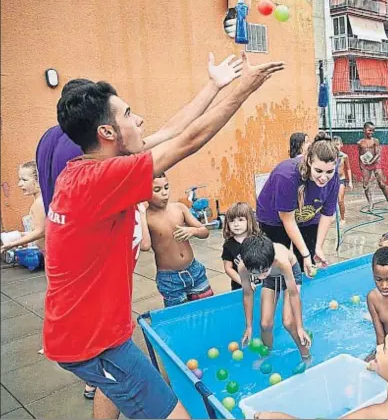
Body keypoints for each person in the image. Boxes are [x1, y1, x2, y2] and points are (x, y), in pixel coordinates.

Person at [43, 52, 284, 420]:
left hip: (92, 334)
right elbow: (190, 140)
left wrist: (214, 85)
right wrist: (245, 88)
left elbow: (174, 130)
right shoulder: (102, 180)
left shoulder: (91, 168)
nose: (138, 119)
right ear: (107, 133)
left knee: (117, 390)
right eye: (127, 114)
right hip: (93, 344)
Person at [254, 323, 388, 420]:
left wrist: (276, 417)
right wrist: (380, 367)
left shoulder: (374, 416)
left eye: (383, 348)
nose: (377, 348)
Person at [256, 132, 340, 277]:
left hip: (308, 215)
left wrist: (317, 248)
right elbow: (288, 220)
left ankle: (301, 293)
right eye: (318, 171)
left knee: (308, 261)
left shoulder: (334, 177)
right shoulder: (286, 176)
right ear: (309, 162)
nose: (324, 177)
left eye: (329, 172)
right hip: (274, 218)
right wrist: (306, 255)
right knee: (276, 264)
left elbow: (327, 214)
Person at [140, 173, 214, 307]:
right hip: (170, 280)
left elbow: (205, 232)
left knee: (207, 310)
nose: (164, 193)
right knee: (179, 318)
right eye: (157, 190)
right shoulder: (146, 217)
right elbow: (145, 245)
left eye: (166, 187)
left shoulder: (179, 208)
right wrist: (140, 212)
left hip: (194, 271)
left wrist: (193, 230)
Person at [236, 234, 311, 361]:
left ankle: (306, 356)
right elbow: (248, 294)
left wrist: (300, 326)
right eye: (255, 274)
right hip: (271, 277)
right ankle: (266, 354)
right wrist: (248, 326)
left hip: (290, 273)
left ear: (271, 261)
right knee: (265, 324)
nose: (260, 277)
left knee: (288, 321)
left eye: (263, 271)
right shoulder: (244, 267)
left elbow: (293, 293)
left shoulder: (281, 261)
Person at [1, 162, 46, 258]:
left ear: (38, 182)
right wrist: (22, 235)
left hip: (52, 254)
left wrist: (13, 244)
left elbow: (40, 232)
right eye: (19, 180)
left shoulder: (39, 203)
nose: (19, 184)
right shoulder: (40, 200)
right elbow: (44, 230)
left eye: (24, 180)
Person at [221, 202, 262, 291]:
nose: (236, 224)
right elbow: (228, 268)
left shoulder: (259, 240)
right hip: (240, 287)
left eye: (240, 220)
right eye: (232, 221)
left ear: (250, 220)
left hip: (262, 286)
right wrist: (244, 282)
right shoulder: (228, 245)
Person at [357, 122, 388, 212]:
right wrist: (361, 166)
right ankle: (370, 203)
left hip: (376, 164)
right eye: (369, 130)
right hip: (366, 166)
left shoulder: (375, 141)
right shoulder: (360, 143)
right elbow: (360, 155)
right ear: (364, 130)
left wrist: (371, 161)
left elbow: (378, 154)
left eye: (373, 131)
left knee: (382, 184)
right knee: (365, 185)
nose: (371, 132)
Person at [333, 136, 353, 225]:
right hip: (332, 180)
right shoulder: (330, 156)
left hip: (341, 180)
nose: (336, 146)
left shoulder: (344, 156)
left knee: (340, 200)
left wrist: (350, 181)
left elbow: (348, 168)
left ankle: (342, 218)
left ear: (341, 145)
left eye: (337, 144)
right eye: (334, 145)